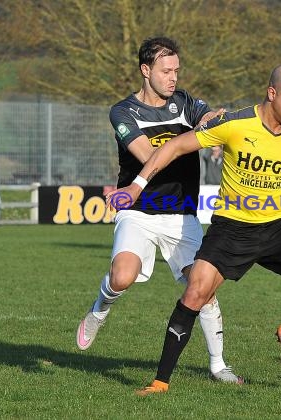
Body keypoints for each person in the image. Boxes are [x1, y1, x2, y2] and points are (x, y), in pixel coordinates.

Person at [107, 63, 281, 394]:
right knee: (195, 292)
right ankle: (161, 382)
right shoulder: (234, 124)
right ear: (271, 93)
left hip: (277, 224)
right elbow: (175, 146)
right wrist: (136, 186)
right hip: (232, 228)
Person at [75, 36, 242, 384]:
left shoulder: (184, 103)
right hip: (138, 210)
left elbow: (208, 117)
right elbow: (149, 157)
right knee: (121, 276)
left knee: (204, 288)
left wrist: (215, 121)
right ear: (145, 70)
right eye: (166, 71)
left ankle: (218, 366)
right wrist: (193, 137)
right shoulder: (122, 112)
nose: (173, 78)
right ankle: (98, 310)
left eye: (177, 70)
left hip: (181, 215)